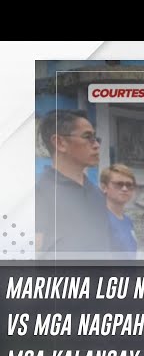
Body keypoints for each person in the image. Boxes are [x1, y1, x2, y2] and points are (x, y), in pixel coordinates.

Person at [35, 109, 111, 255]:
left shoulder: (97, 195)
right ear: (60, 143)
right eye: (88, 137)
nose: (96, 145)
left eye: (96, 138)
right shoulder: (38, 194)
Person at [100, 164, 138, 259]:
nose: (125, 189)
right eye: (118, 184)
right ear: (104, 187)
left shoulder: (128, 221)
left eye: (129, 185)